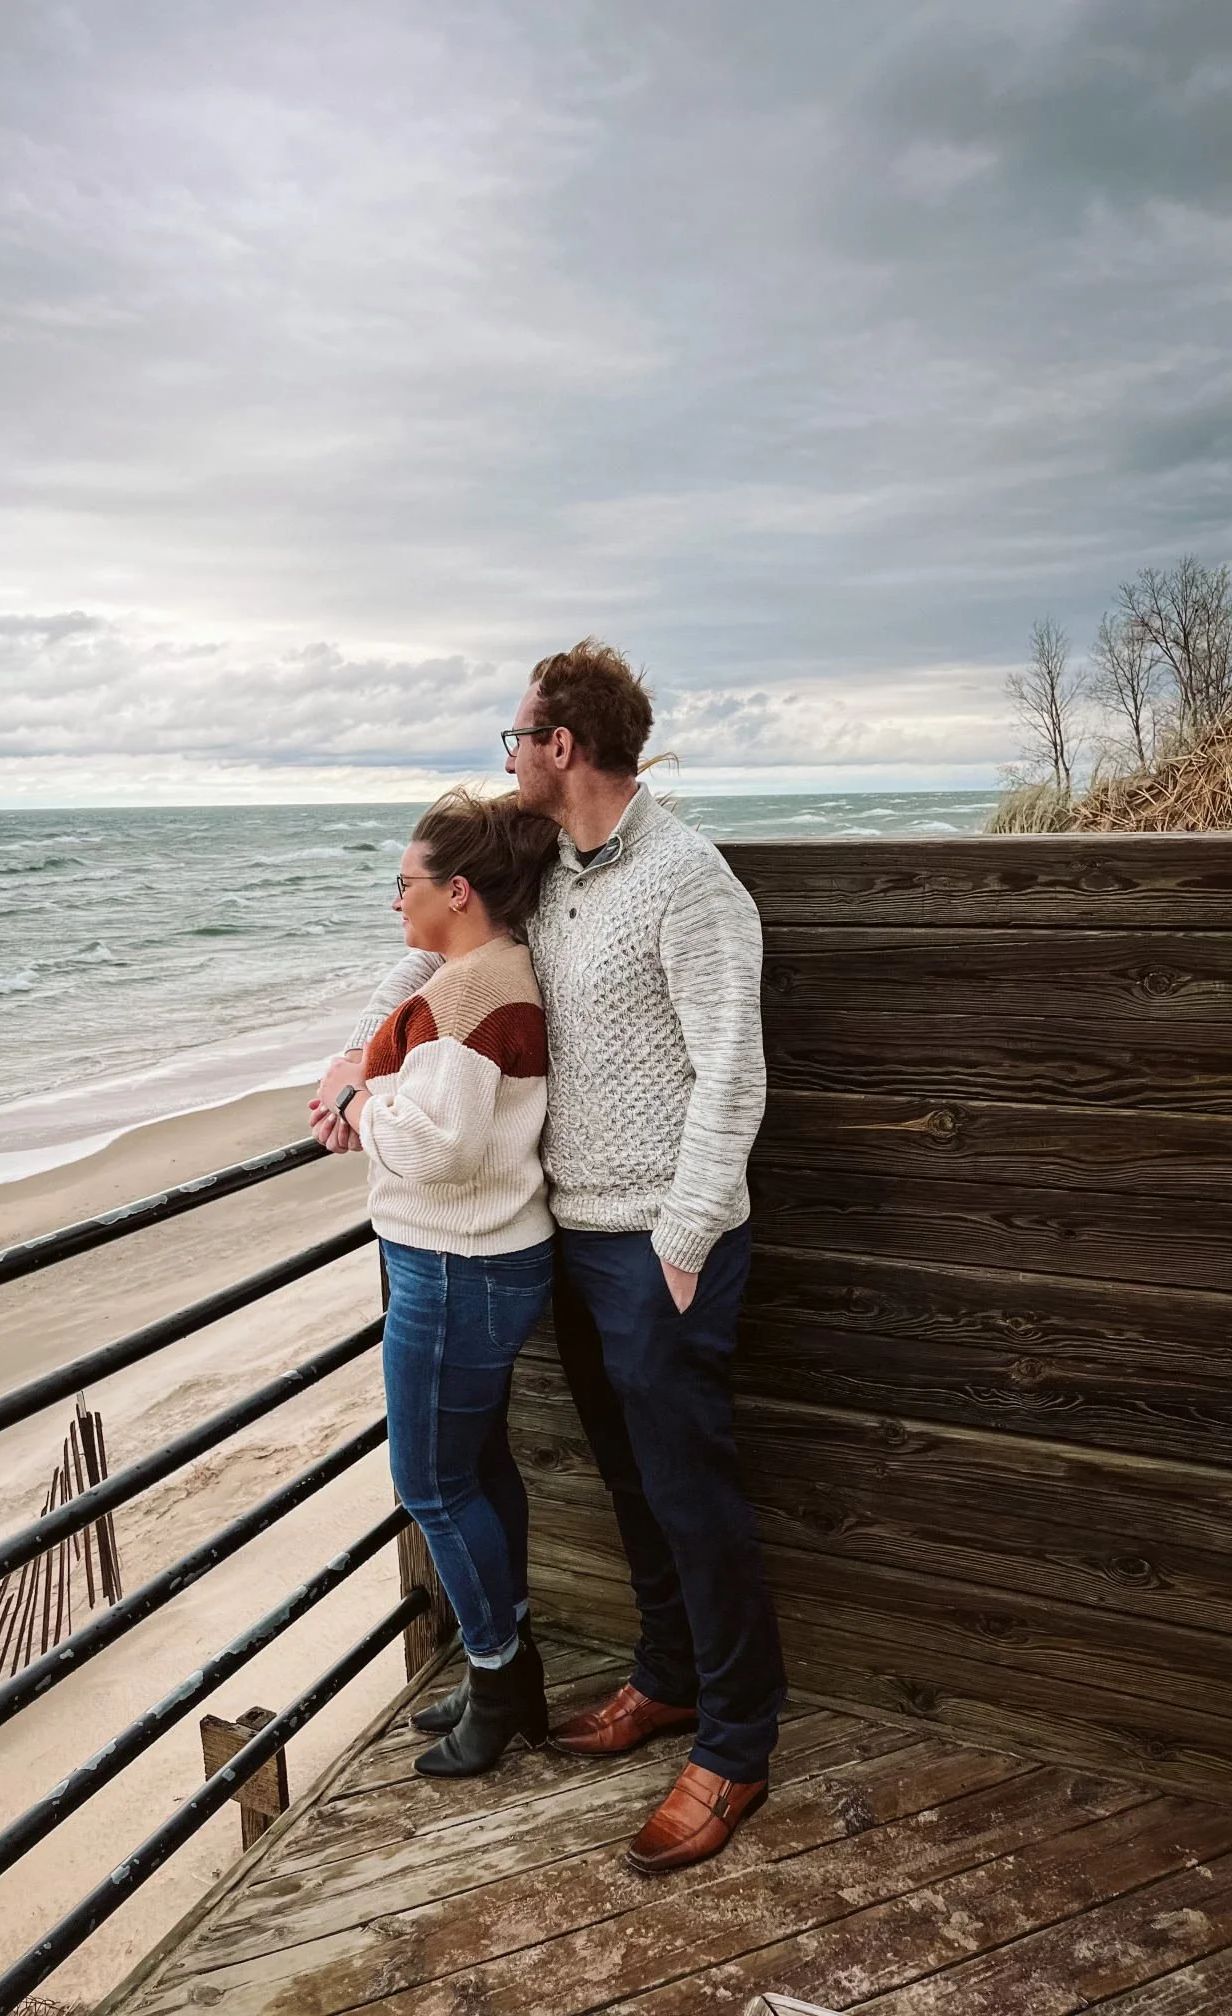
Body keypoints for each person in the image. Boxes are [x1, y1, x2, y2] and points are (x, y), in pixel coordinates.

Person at [342, 640, 784, 1873]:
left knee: (693, 1490)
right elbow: (435, 951)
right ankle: (670, 1678)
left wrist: (689, 1238)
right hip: (570, 1233)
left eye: (516, 736)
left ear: (562, 749)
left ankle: (737, 1746)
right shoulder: (547, 868)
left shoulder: (689, 883)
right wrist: (353, 1058)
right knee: (631, 1480)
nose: (508, 755)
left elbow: (732, 1074)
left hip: (661, 1243)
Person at [310, 787, 558, 1778]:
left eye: (403, 883)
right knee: (483, 1469)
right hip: (490, 1258)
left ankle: (498, 1681)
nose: (394, 902)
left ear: (457, 890)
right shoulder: (489, 969)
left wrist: (361, 1099)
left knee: (431, 1481)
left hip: (456, 1265)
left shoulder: (466, 998)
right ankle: (510, 1666)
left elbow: (442, 1148)